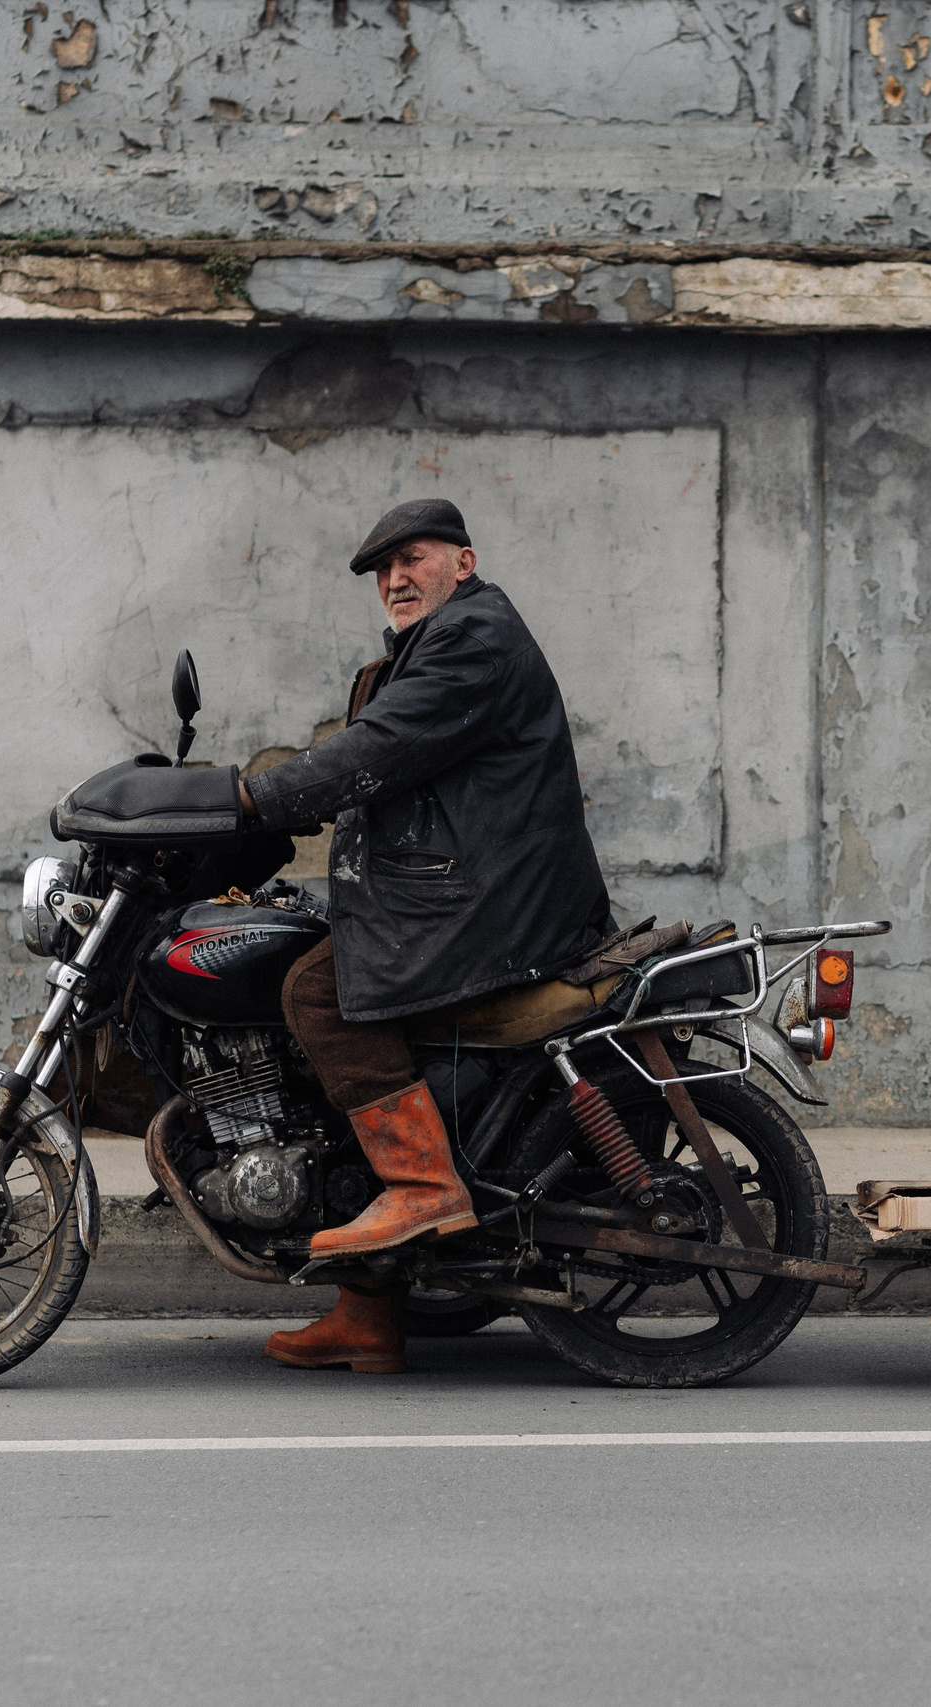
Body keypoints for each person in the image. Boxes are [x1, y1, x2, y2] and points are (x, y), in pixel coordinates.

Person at [236, 498, 612, 1371]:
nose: (395, 578)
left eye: (413, 559)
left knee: (317, 994)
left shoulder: (473, 637)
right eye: (383, 568)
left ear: (463, 562)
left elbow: (378, 748)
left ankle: (422, 1184)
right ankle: (367, 1312)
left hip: (497, 907)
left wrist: (251, 797)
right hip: (468, 893)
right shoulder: (432, 644)